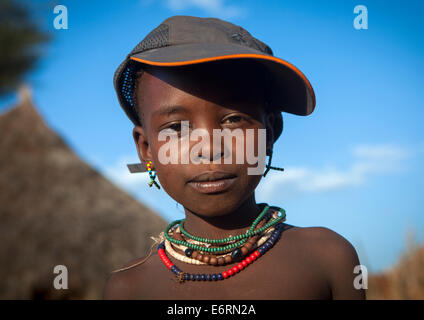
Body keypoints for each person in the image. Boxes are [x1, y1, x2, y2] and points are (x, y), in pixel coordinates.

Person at [104, 15, 365, 300]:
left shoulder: (328, 258)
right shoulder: (127, 288)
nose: (209, 148)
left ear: (271, 131)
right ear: (146, 149)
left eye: (233, 119)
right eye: (176, 128)